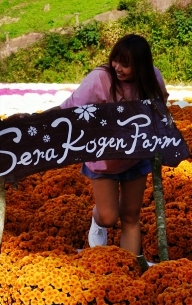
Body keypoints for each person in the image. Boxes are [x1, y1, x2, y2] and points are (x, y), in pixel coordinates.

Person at [60, 34, 168, 256]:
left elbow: (160, 108)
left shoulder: (152, 78)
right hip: (103, 158)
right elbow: (71, 109)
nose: (118, 67)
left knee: (130, 216)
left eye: (126, 64)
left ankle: (127, 268)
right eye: (115, 60)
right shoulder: (99, 79)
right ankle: (96, 219)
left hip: (135, 156)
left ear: (140, 67)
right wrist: (37, 122)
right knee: (109, 217)